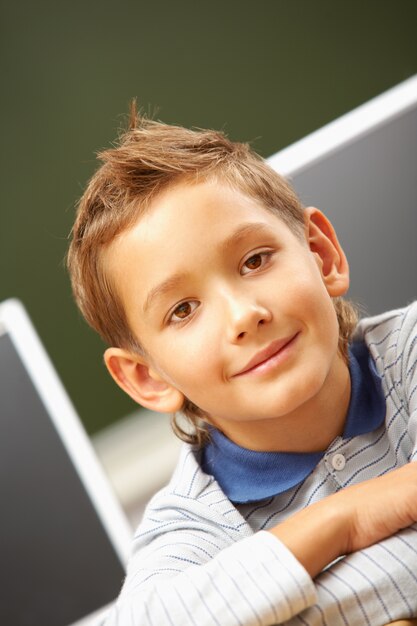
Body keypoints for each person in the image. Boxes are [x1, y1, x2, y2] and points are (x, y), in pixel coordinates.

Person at [67, 107, 417, 625]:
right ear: (148, 377)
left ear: (322, 255)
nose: (243, 317)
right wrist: (347, 518)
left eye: (255, 260)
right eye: (183, 310)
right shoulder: (194, 524)